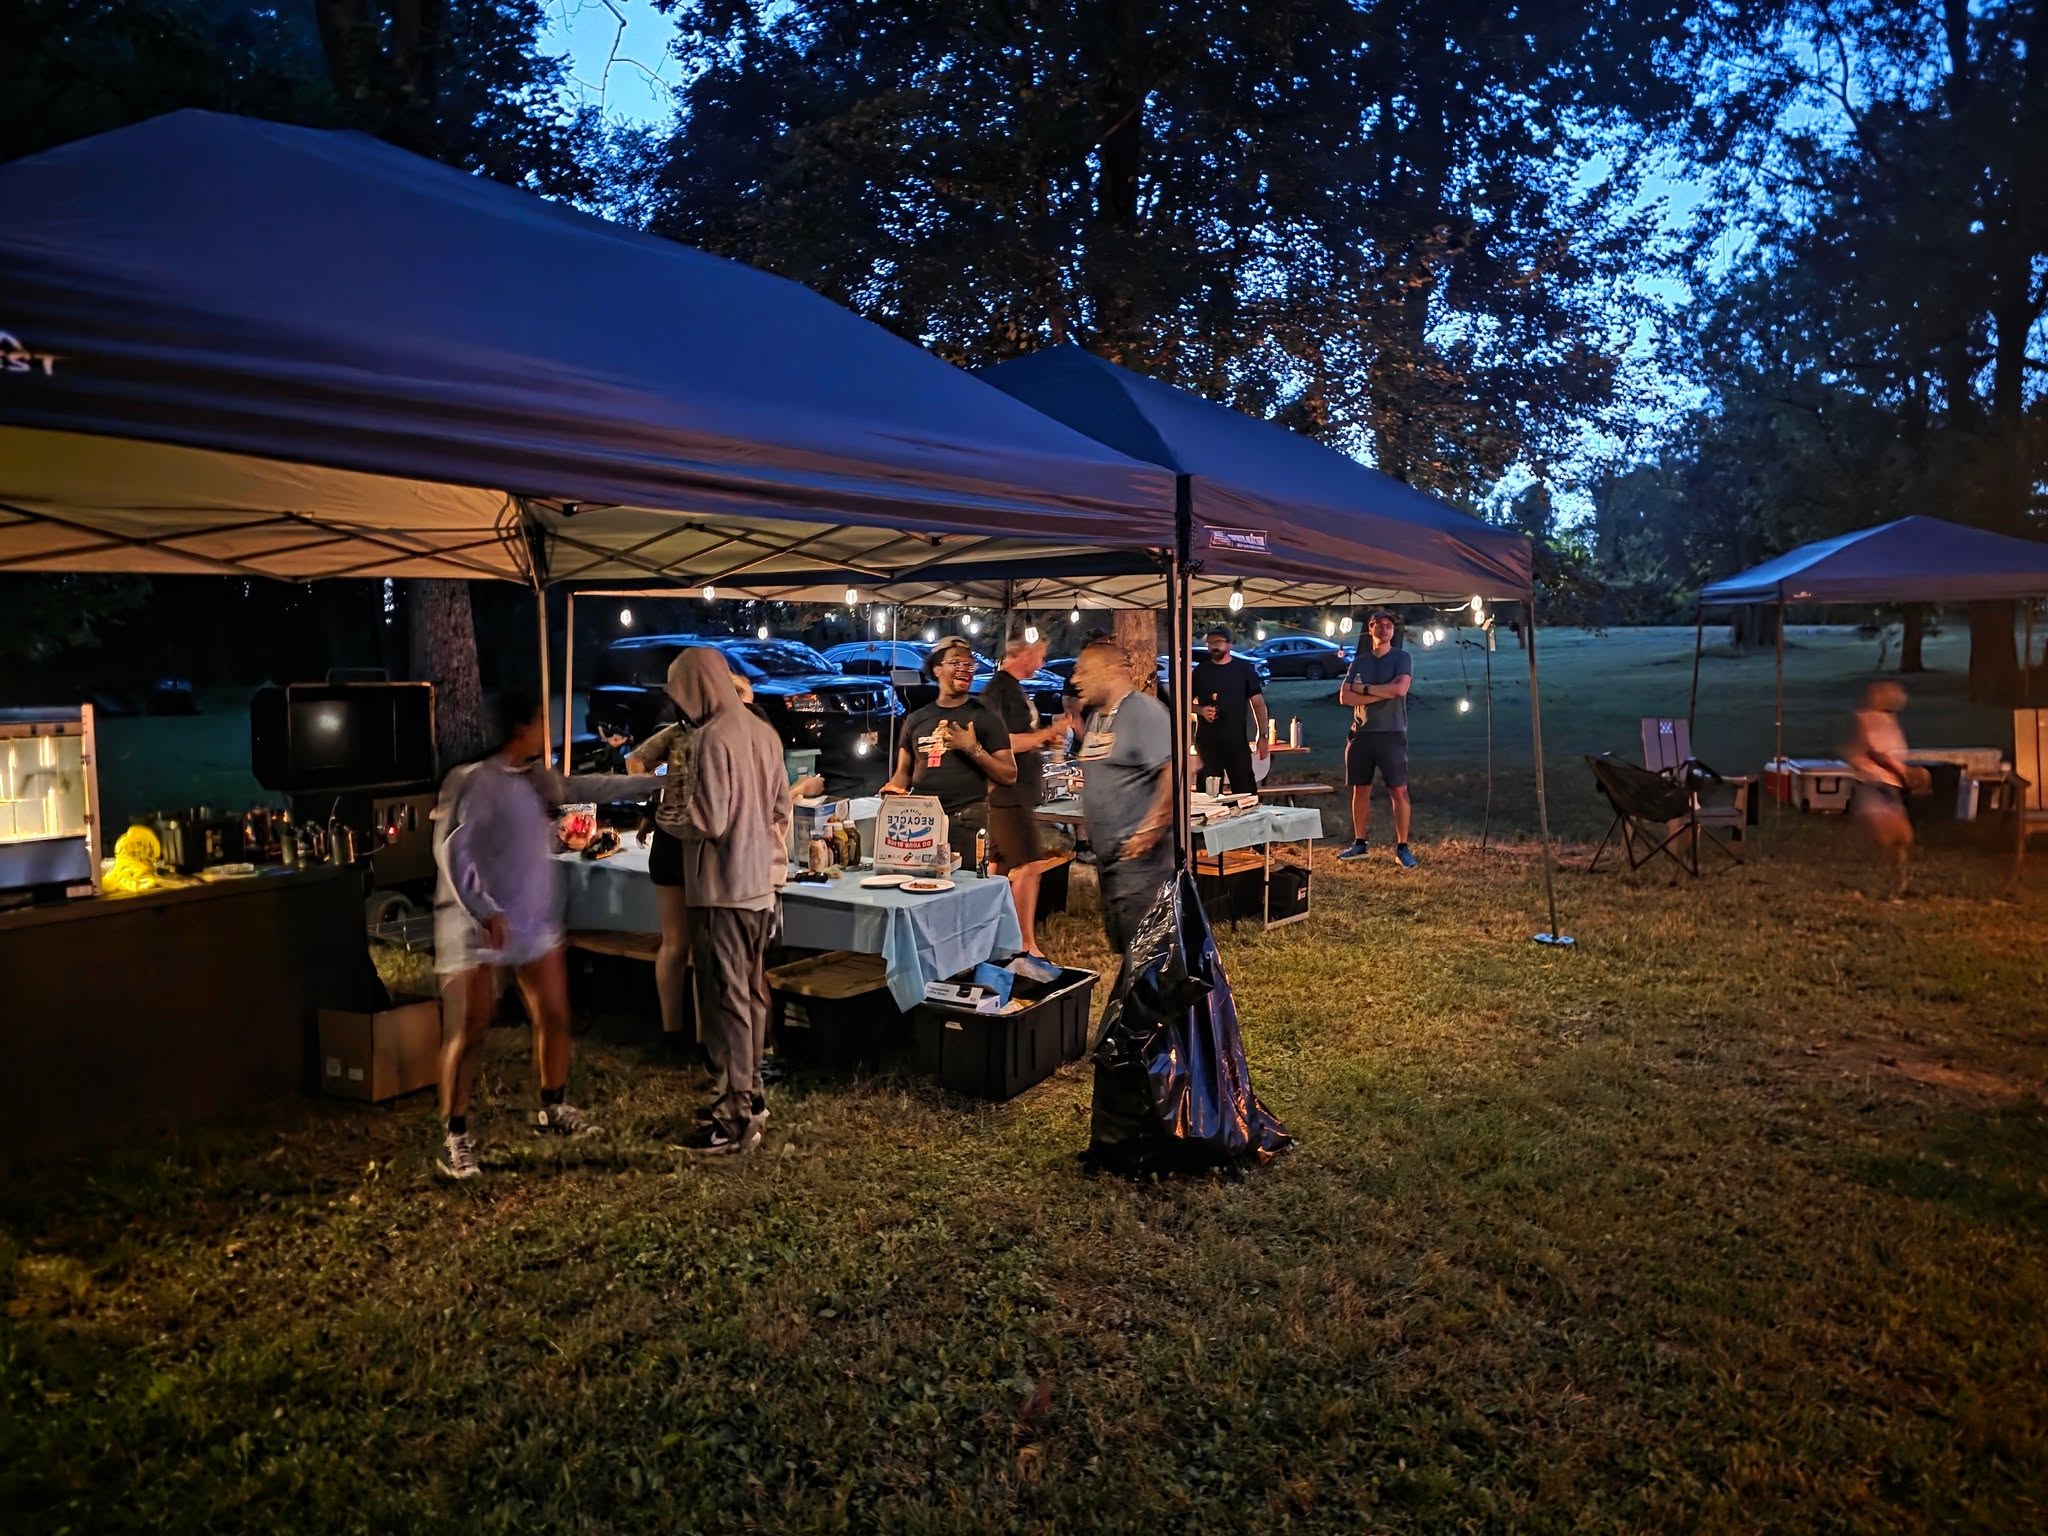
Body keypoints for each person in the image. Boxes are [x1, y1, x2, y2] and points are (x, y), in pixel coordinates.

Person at [432, 691, 660, 1180]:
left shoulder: (533, 780)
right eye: (541, 722)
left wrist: (649, 783)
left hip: (533, 923)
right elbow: (454, 852)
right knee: (470, 1032)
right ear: (520, 728)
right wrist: (483, 910)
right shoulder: (476, 782)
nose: (548, 731)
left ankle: (552, 1106)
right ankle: (456, 1135)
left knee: (555, 1015)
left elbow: (585, 786)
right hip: (479, 926)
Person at [664, 647, 793, 1155]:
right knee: (751, 998)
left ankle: (734, 1119)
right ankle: (751, 1095)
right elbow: (781, 809)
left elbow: (707, 821)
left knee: (727, 1004)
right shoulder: (764, 731)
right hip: (760, 887)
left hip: (721, 891)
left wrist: (665, 817)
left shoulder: (711, 738)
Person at [1073, 637, 1174, 954]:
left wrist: (1151, 828)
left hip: (1143, 865)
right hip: (1109, 860)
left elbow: (1175, 772)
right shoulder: (1097, 719)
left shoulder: (1146, 712)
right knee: (1125, 950)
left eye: (1083, 671)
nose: (1075, 679)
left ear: (1112, 670)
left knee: (1148, 956)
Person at [881, 635, 1016, 866]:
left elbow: (1009, 774)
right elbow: (903, 773)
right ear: (936, 669)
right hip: (920, 824)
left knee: (966, 894)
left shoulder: (984, 716)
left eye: (969, 665)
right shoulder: (916, 719)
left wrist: (973, 749)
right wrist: (894, 793)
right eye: (956, 663)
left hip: (967, 822)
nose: (965, 669)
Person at [983, 633, 1067, 957]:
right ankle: (1024, 944)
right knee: (1030, 866)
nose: (1043, 663)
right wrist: (1048, 733)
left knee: (999, 868)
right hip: (1009, 793)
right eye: (1040, 655)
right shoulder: (1000, 689)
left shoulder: (1011, 688)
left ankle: (994, 939)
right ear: (1023, 653)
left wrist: (1044, 741)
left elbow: (1021, 737)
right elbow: (1005, 742)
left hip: (1016, 792)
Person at [1337, 609, 1416, 868]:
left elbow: (1400, 689)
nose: (1384, 628)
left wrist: (1366, 689)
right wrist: (1384, 692)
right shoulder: (1360, 661)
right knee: (1361, 789)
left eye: (1388, 625)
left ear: (1393, 631)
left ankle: (1402, 846)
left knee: (1399, 790)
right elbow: (1345, 697)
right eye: (1378, 624)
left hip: (1392, 733)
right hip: (1361, 733)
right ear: (1370, 629)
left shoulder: (1401, 657)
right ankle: (1360, 843)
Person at [1844, 681, 1925, 901]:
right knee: (1885, 837)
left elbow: (1893, 753)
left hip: (1891, 784)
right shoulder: (1864, 719)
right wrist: (1904, 772)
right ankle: (1870, 884)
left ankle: (1898, 883)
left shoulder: (1890, 721)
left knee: (1902, 838)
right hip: (1871, 781)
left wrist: (1905, 774)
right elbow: (1872, 752)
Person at [1192, 626, 1271, 794]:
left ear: (1229, 644)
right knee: (1208, 795)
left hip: (1236, 742)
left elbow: (1258, 704)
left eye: (1218, 642)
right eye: (1210, 643)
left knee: (1245, 794)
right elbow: (1182, 703)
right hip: (1207, 743)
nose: (1213, 646)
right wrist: (1200, 710)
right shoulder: (1200, 671)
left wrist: (1263, 735)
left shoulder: (1243, 670)